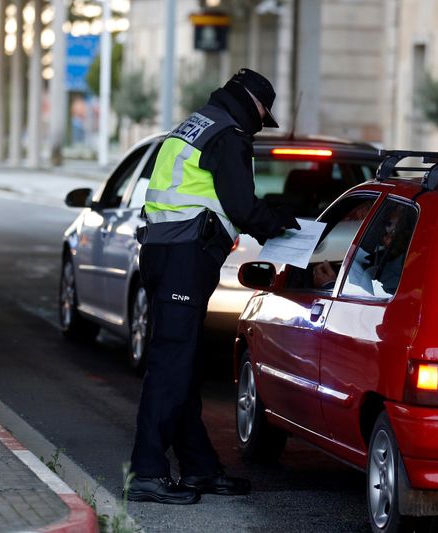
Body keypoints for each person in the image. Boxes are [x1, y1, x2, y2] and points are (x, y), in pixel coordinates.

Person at [128, 68, 300, 505]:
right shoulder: (230, 134)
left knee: (180, 361)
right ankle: (146, 472)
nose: (264, 121)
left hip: (163, 251)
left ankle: (199, 467)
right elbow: (240, 205)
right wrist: (279, 223)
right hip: (186, 255)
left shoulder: (196, 123)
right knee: (171, 363)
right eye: (264, 112)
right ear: (252, 104)